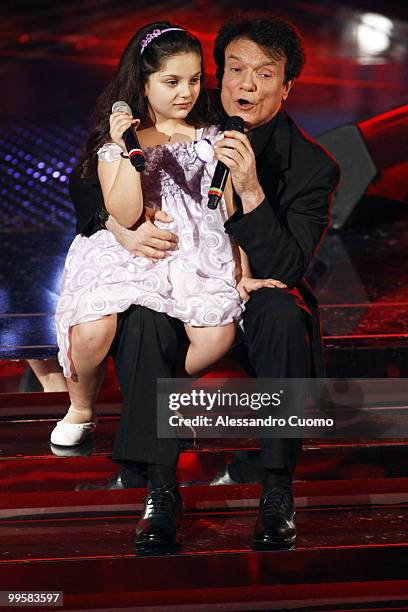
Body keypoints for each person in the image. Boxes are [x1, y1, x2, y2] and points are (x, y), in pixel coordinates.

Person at [71, 15, 340, 552]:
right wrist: (121, 231)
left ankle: (276, 490)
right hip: (182, 277)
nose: (246, 84)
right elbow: (91, 179)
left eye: (265, 75)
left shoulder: (313, 167)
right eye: (235, 69)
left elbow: (288, 266)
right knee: (146, 316)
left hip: (254, 287)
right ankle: (161, 490)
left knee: (285, 314)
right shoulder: (189, 110)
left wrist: (250, 186)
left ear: (287, 87)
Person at [51, 22, 284, 448]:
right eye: (172, 82)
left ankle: (156, 396)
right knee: (91, 332)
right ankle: (82, 405)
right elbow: (125, 210)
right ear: (144, 82)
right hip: (133, 239)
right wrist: (126, 148)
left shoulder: (213, 135)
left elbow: (231, 210)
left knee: (217, 336)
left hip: (199, 247)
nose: (186, 92)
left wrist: (243, 270)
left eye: (194, 80)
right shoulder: (119, 142)